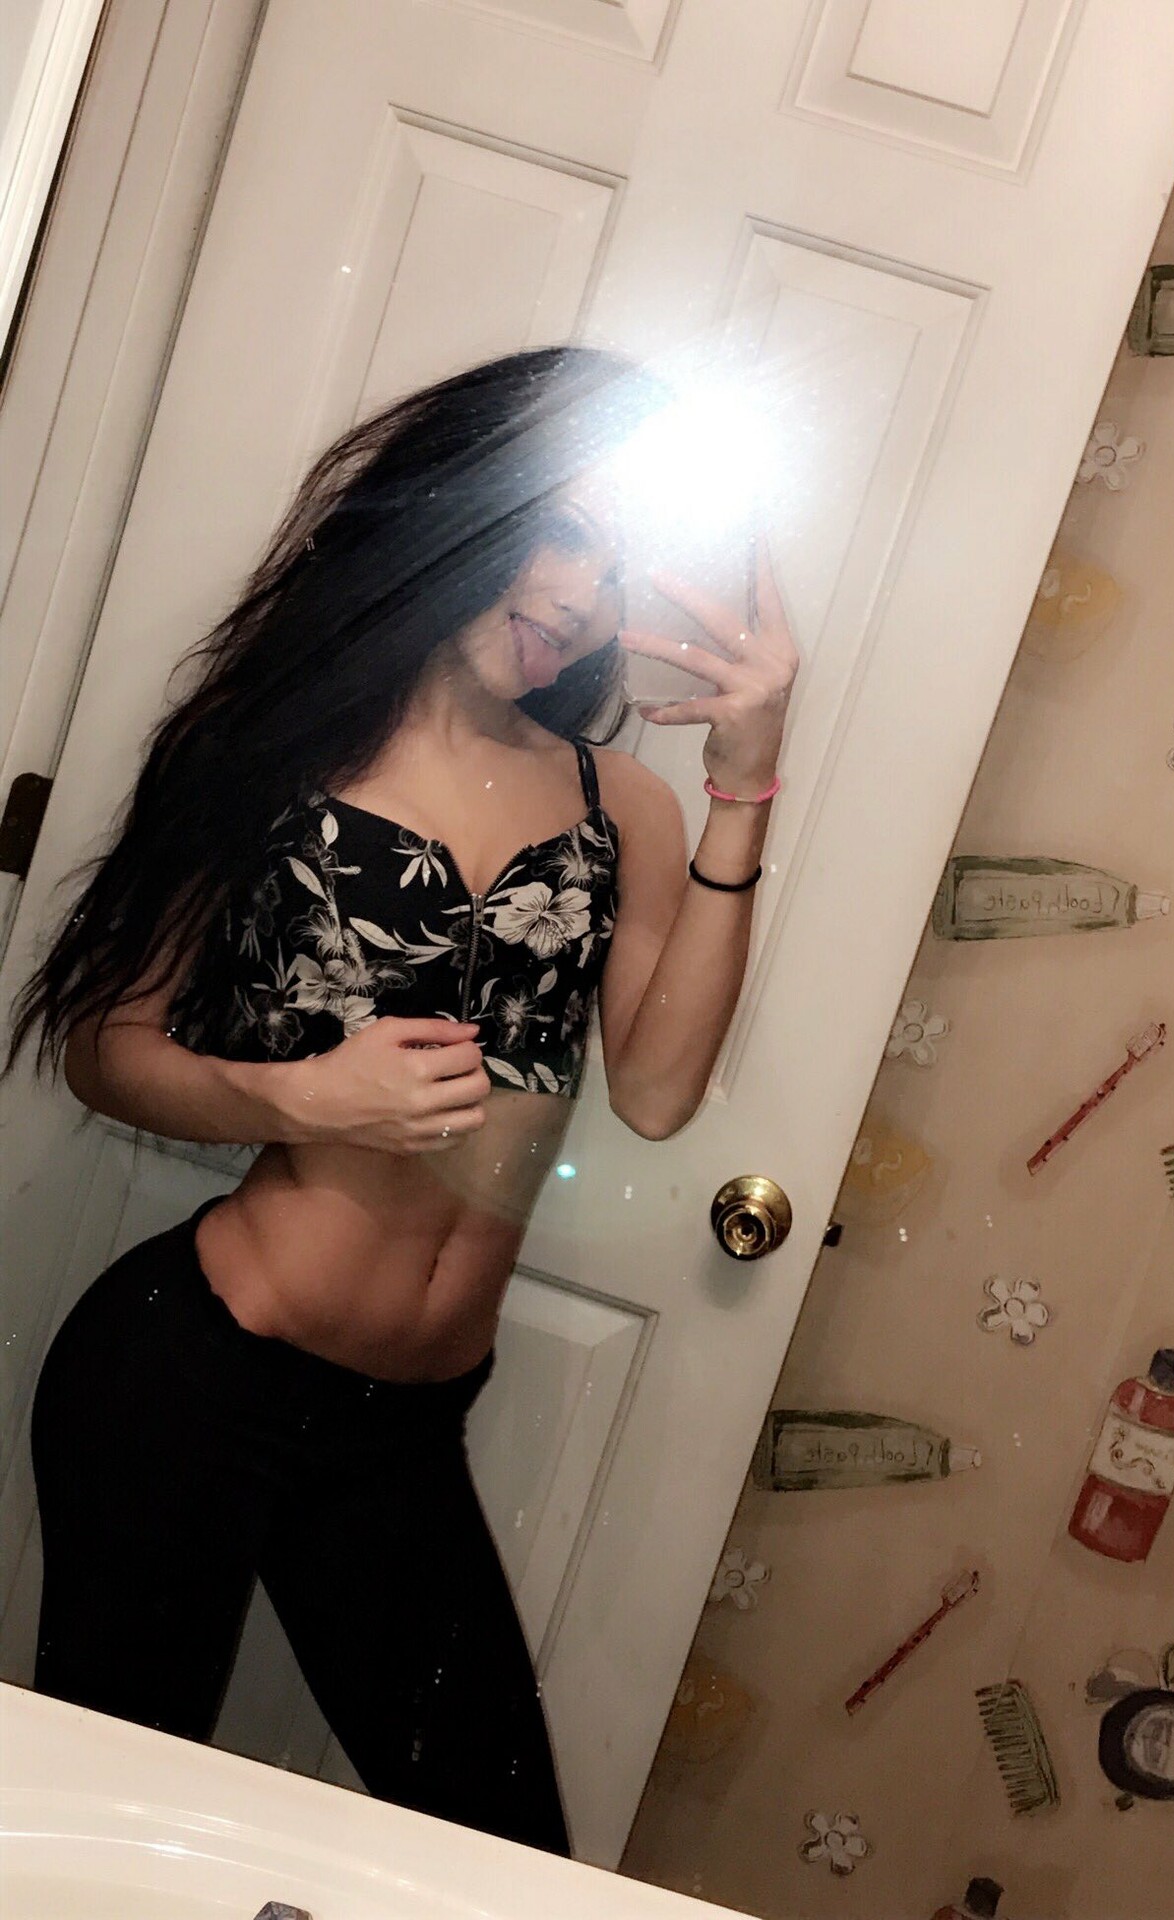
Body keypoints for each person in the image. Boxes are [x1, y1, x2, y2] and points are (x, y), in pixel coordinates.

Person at [1, 344, 798, 1857]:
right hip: (195, 1374)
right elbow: (105, 1046)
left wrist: (746, 784)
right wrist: (308, 1098)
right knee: (105, 1836)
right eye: (558, 531)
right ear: (466, 497)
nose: (579, 592)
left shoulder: (619, 804)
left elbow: (657, 1093)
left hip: (406, 1429)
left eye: (616, 563)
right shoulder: (278, 745)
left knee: (500, 1855)